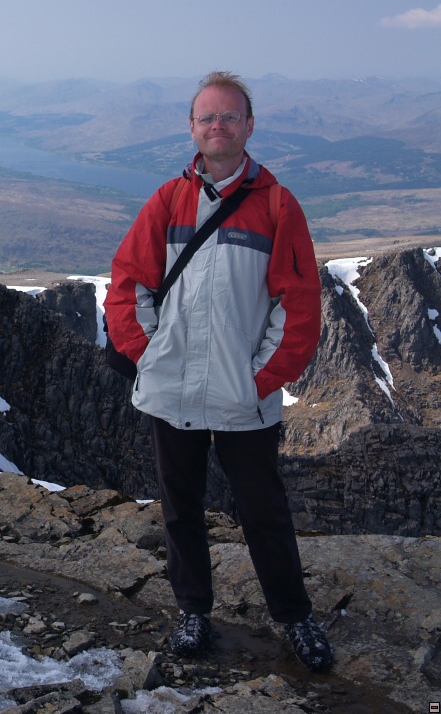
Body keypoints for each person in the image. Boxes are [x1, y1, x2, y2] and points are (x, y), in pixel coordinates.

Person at [104, 71, 333, 673]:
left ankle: (293, 616)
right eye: (208, 117)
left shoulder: (279, 207)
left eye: (229, 117)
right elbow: (128, 284)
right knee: (180, 506)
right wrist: (151, 354)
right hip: (173, 389)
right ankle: (193, 613)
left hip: (241, 396)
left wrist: (257, 379)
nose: (218, 127)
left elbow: (299, 306)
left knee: (264, 510)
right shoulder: (169, 200)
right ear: (192, 128)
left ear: (249, 126)